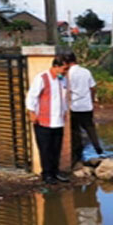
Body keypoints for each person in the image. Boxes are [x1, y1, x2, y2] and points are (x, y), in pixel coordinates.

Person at [26, 56, 70, 185]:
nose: (65, 72)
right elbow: (32, 96)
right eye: (64, 69)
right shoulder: (42, 78)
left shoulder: (63, 80)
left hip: (58, 119)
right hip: (43, 120)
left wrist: (65, 111)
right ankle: (47, 174)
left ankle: (55, 172)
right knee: (45, 148)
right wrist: (31, 112)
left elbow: (64, 97)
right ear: (56, 66)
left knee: (56, 148)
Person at [65, 52, 103, 165]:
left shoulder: (67, 74)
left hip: (73, 106)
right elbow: (92, 88)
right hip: (86, 105)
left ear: (67, 62)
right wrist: (91, 100)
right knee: (90, 127)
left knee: (75, 131)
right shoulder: (86, 71)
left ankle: (77, 153)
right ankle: (98, 148)